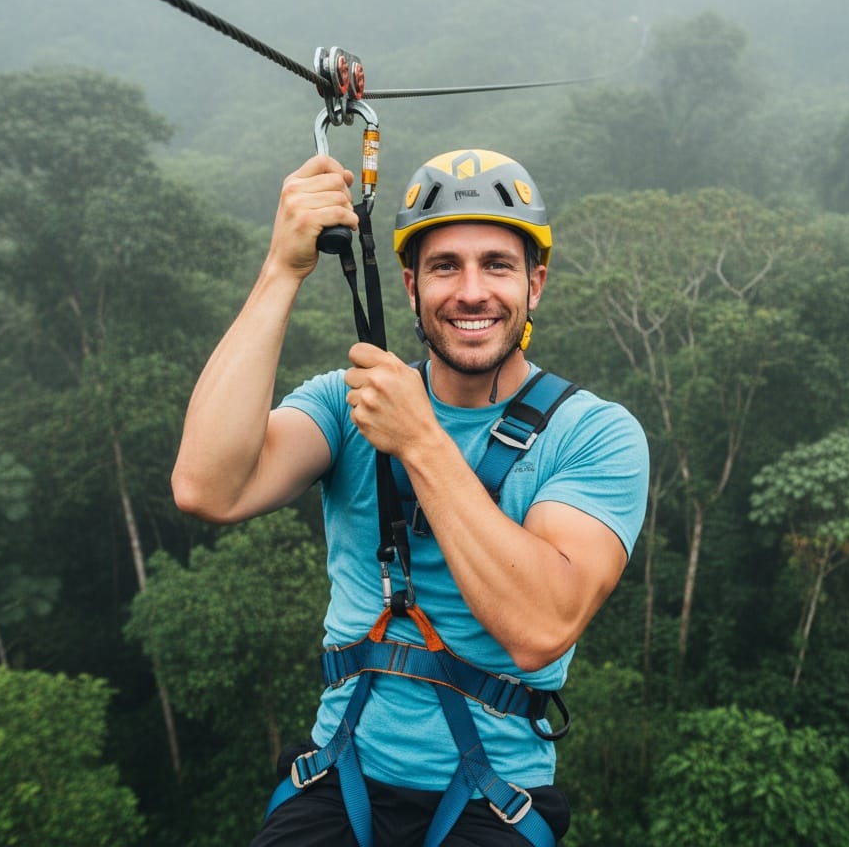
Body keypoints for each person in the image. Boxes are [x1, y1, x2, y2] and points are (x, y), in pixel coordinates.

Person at [172, 148, 649, 847]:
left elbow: (541, 626)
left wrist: (422, 441)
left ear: (535, 284)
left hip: (495, 797)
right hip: (340, 775)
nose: (472, 291)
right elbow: (206, 487)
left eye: (497, 264)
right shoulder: (348, 404)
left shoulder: (593, 433)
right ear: (410, 285)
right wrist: (282, 271)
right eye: (445, 266)